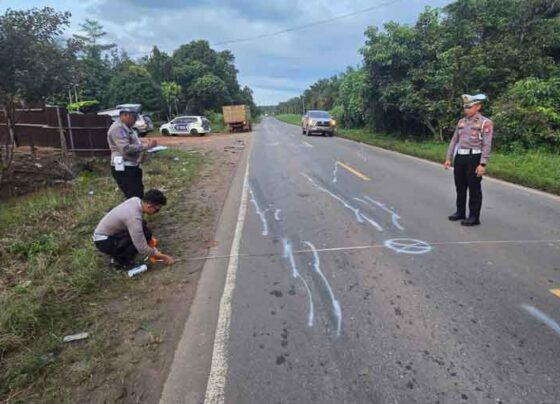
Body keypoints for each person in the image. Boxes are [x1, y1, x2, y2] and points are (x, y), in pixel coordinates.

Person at [444, 94, 494, 226]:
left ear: (478, 107)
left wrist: (482, 164)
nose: (466, 109)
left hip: (474, 157)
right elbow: (454, 140)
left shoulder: (485, 123)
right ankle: (460, 212)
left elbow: (487, 145)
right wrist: (448, 158)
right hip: (460, 157)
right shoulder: (461, 122)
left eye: (469, 106)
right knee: (460, 187)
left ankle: (474, 217)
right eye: (465, 107)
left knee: (474, 189)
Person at [93, 189, 175, 268]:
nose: (156, 212)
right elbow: (142, 248)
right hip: (104, 241)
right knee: (139, 240)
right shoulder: (134, 218)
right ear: (149, 206)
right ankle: (121, 262)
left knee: (145, 231)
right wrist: (164, 257)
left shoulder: (135, 200)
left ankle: (119, 253)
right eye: (157, 210)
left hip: (108, 233)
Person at [108, 107, 157, 199]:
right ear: (125, 115)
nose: (135, 120)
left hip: (131, 166)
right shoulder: (118, 128)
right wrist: (146, 146)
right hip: (124, 168)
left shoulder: (127, 128)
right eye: (134, 117)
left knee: (137, 193)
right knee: (134, 195)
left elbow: (133, 144)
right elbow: (125, 148)